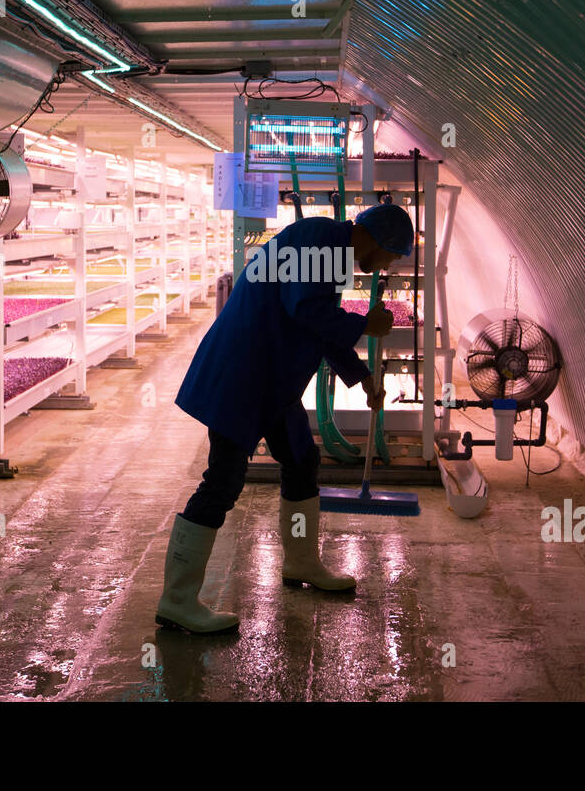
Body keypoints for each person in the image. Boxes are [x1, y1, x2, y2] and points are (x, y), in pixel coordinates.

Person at [156, 201, 415, 633]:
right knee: (222, 482)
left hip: (271, 380)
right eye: (389, 255)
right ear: (374, 238)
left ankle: (300, 563)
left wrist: (362, 375)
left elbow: (316, 324)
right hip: (244, 374)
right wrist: (362, 325)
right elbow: (306, 311)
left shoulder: (332, 251)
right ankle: (177, 600)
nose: (386, 264)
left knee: (301, 461)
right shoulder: (318, 240)